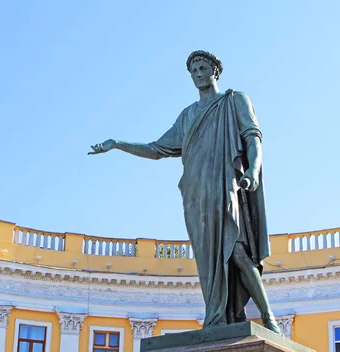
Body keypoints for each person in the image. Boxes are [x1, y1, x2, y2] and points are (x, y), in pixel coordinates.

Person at [88, 50, 281, 334]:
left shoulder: (235, 100)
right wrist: (117, 143)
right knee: (207, 261)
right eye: (193, 71)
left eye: (203, 68)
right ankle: (216, 318)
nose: (198, 74)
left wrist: (252, 170)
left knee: (237, 249)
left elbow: (253, 139)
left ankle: (268, 318)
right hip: (195, 196)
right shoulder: (187, 115)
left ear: (215, 70)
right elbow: (156, 149)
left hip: (227, 184)